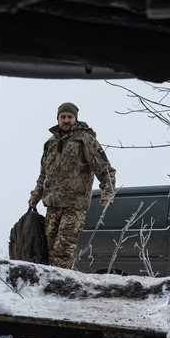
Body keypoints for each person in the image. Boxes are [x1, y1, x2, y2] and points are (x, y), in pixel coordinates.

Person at [28, 102, 117, 268]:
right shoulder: (50, 143)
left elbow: (105, 169)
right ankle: (66, 284)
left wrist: (107, 192)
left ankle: (62, 288)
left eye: (70, 117)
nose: (66, 120)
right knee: (50, 251)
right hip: (53, 205)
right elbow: (44, 174)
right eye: (63, 117)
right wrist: (35, 196)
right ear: (58, 119)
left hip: (74, 205)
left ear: (75, 118)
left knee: (63, 250)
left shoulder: (85, 140)